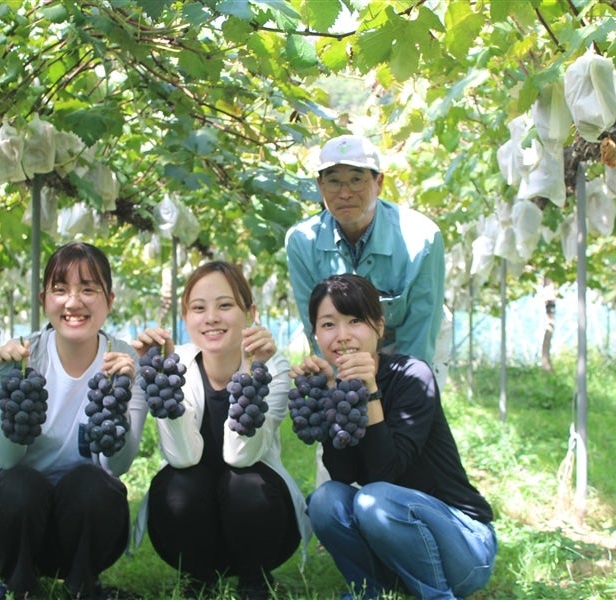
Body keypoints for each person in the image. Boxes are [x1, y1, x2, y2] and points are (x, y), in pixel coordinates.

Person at [292, 274, 496, 600]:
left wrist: (370, 391)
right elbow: (343, 475)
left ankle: (439, 595)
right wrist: (332, 393)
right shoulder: (336, 385)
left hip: (464, 545)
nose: (342, 335)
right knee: (325, 499)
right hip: (400, 548)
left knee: (375, 499)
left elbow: (387, 473)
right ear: (315, 333)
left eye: (355, 320)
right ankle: (369, 590)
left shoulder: (412, 376)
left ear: (379, 325)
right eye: (328, 324)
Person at [0, 242, 139, 600]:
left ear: (109, 300)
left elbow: (119, 464)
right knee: (19, 483)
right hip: (17, 526)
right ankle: (18, 584)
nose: (73, 302)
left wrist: (123, 396)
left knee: (93, 483)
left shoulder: (124, 359)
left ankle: (83, 584)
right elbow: (6, 459)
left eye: (88, 289)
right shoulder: (24, 357)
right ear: (44, 300)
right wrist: (6, 384)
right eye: (60, 289)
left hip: (82, 529)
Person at [126, 261, 310, 600]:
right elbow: (182, 456)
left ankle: (254, 582)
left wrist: (250, 370)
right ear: (185, 318)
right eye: (199, 308)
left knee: (244, 482)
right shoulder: (174, 362)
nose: (211, 318)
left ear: (250, 313)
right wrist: (163, 377)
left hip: (262, 526)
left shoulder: (272, 366)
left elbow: (242, 456)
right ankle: (199, 579)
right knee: (182, 482)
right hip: (189, 529)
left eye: (224, 305)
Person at [285, 133, 447, 371]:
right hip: (342, 347)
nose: (345, 193)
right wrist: (336, 384)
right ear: (320, 186)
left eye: (356, 179)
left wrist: (406, 387)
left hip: (405, 342)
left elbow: (419, 332)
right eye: (334, 181)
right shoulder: (301, 241)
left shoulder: (421, 238)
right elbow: (317, 328)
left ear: (378, 183)